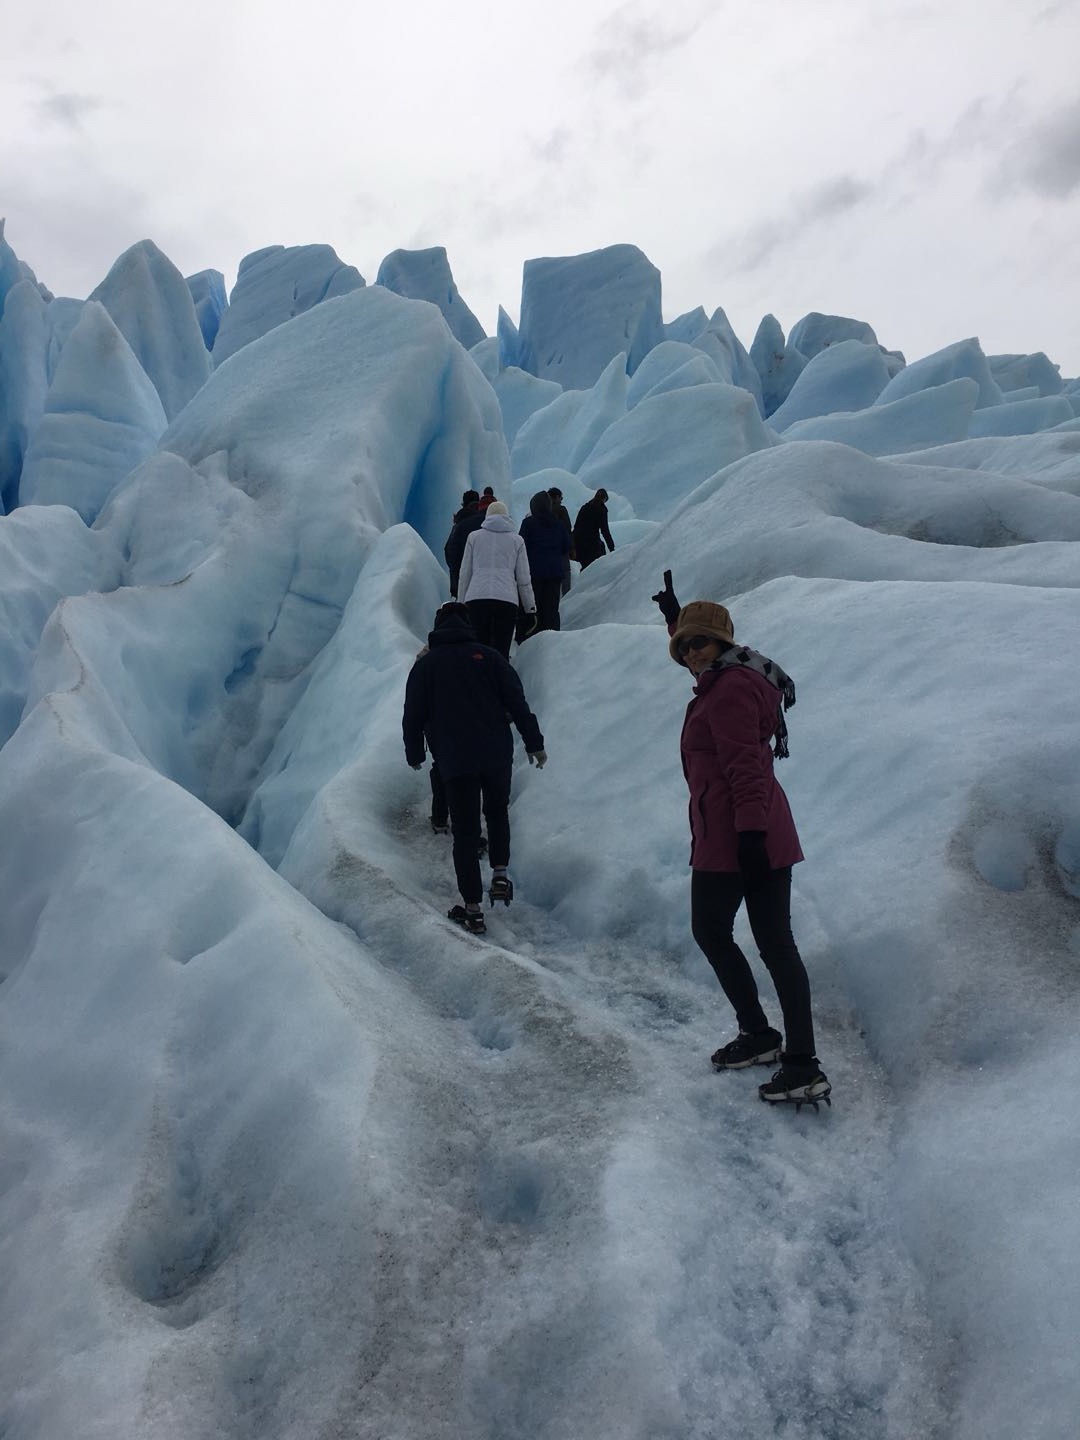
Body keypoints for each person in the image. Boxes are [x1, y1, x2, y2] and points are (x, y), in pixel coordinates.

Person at [652, 569, 831, 1108]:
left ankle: (794, 1059)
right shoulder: (732, 678)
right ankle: (768, 1041)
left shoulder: (729, 690)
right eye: (682, 647)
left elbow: (745, 765)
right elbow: (711, 666)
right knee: (763, 941)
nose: (690, 654)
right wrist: (679, 620)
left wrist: (750, 834)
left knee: (734, 935)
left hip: (741, 835)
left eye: (698, 643)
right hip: (743, 831)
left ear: (723, 645)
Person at [403, 602, 547, 933]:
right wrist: (534, 742)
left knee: (466, 832)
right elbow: (517, 702)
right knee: (497, 813)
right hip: (496, 753)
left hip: (456, 760)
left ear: (438, 627)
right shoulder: (491, 657)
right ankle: (499, 875)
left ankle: (472, 909)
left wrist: (415, 753)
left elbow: (413, 713)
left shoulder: (426, 666)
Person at [458, 501, 536, 659]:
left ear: (487, 516)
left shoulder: (474, 537)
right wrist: (530, 608)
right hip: (506, 601)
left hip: (476, 598)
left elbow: (465, 574)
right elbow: (524, 579)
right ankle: (500, 679)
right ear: (506, 516)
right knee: (501, 650)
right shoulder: (517, 541)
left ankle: (479, 680)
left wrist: (460, 604)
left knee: (479, 649)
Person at [519, 491, 571, 634]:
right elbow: (566, 546)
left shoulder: (528, 524)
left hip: (534, 574)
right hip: (554, 573)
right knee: (551, 609)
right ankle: (552, 640)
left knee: (535, 608)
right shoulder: (558, 524)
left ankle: (533, 640)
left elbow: (520, 546)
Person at [444, 490, 486, 598]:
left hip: (465, 584)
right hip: (489, 583)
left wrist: (455, 585)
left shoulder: (459, 525)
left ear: (463, 504)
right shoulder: (486, 521)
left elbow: (450, 553)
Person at [572, 488, 615, 570]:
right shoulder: (602, 510)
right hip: (592, 544)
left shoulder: (585, 507)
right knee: (593, 568)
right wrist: (611, 547)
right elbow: (605, 530)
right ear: (604, 499)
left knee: (582, 566)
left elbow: (576, 525)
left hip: (578, 541)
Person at [547, 486, 575, 596]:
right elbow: (567, 528)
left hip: (547, 550)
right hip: (561, 548)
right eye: (561, 498)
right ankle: (566, 598)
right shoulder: (561, 509)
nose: (561, 500)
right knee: (565, 572)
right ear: (557, 497)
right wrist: (571, 547)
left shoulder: (543, 511)